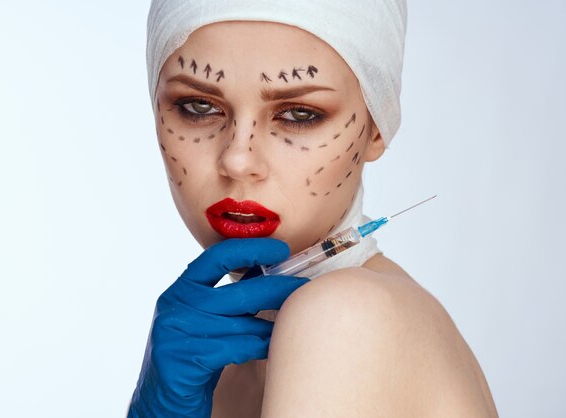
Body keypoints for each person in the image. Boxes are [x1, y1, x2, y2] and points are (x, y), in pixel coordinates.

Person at [127, 1, 499, 417]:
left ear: (377, 127)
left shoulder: (343, 317)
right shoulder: (225, 367)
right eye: (198, 106)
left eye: (299, 114)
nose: (237, 159)